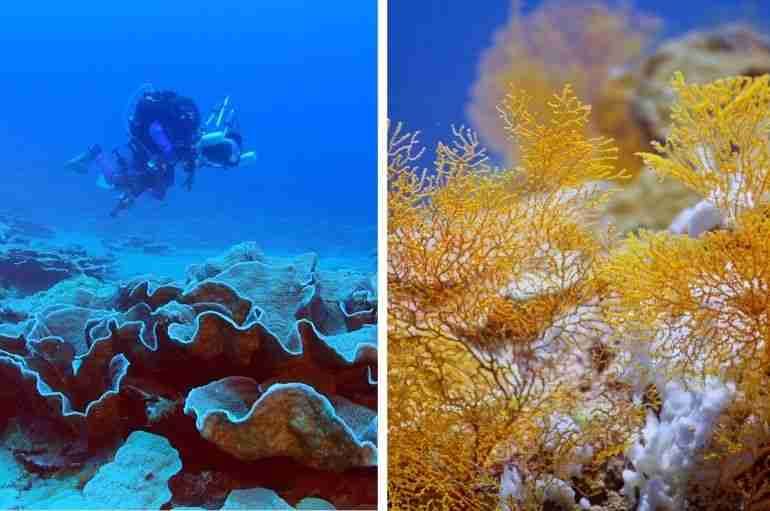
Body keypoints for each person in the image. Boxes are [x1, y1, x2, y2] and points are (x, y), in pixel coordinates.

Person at [66, 85, 256, 217]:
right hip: (151, 149)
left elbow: (187, 158)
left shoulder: (193, 140)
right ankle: (95, 153)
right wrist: (169, 155)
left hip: (158, 153)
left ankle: (126, 191)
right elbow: (158, 134)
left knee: (151, 187)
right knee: (117, 180)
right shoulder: (191, 140)